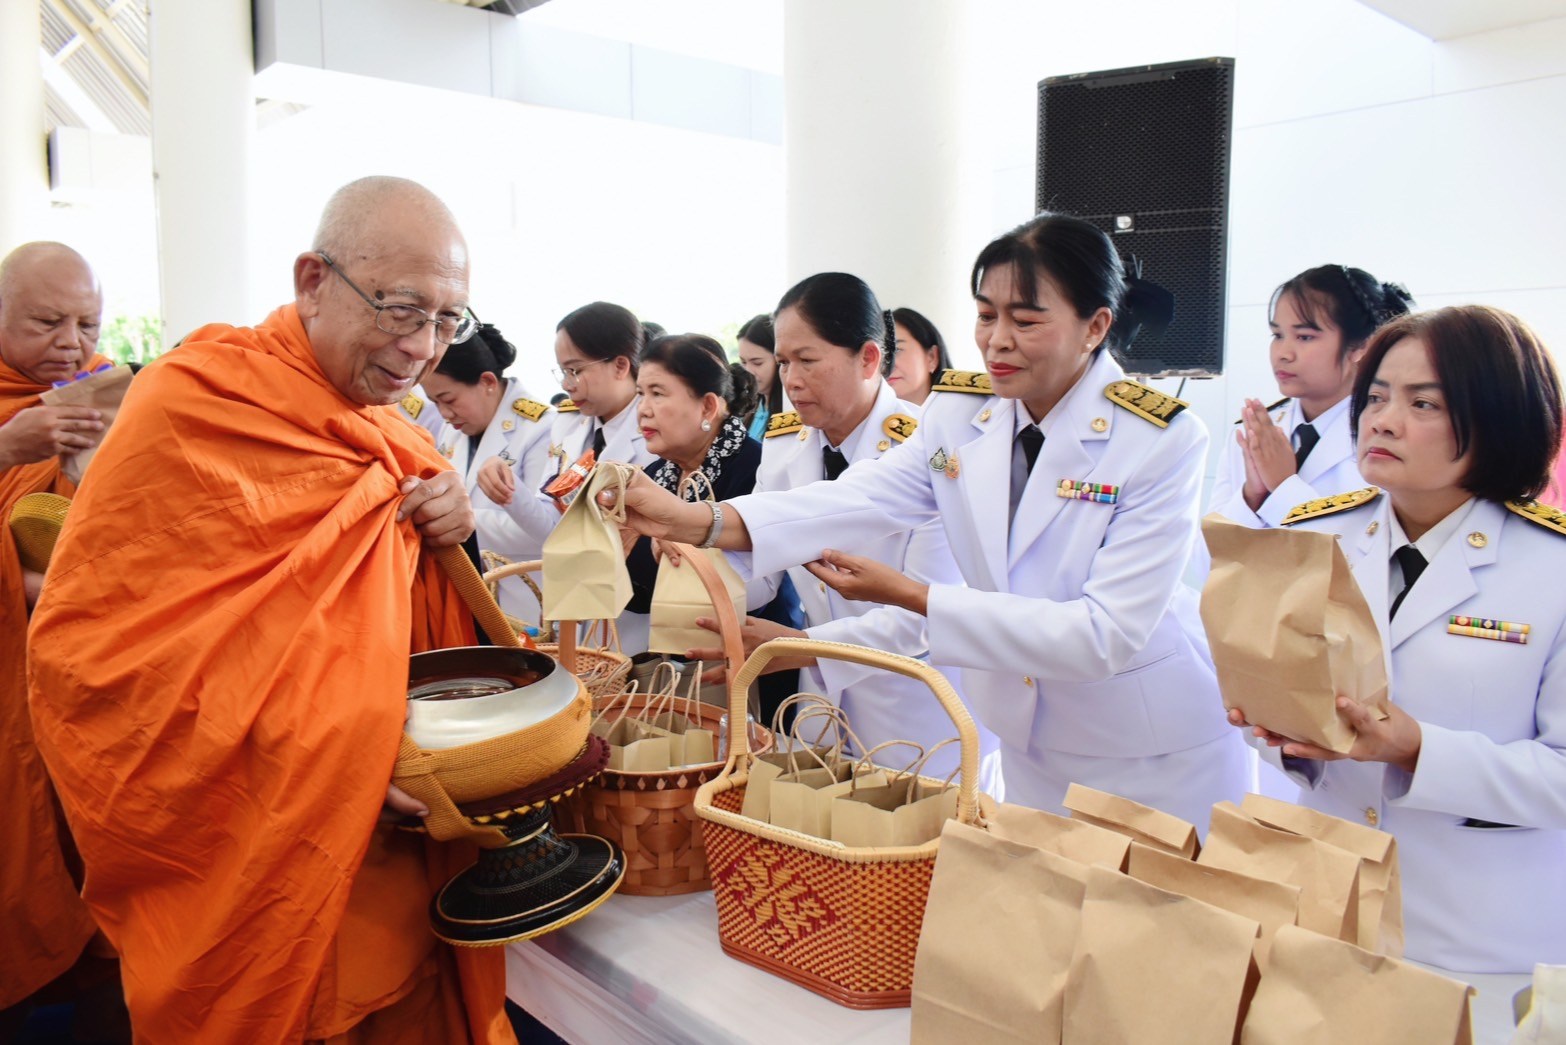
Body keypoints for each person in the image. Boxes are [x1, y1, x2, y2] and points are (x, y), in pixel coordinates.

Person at [27, 177, 513, 1042]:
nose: (422, 347)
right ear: (313, 281)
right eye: (402, 309)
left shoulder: (394, 436)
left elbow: (421, 625)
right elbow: (97, 663)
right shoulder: (191, 404)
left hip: (388, 863)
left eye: (448, 320)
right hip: (250, 844)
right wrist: (346, 760)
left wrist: (454, 526)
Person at [603, 214, 1249, 826]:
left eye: (1025, 320)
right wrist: (695, 519)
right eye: (986, 315)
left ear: (1095, 326)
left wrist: (913, 596)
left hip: (1148, 745)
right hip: (1029, 738)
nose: (997, 340)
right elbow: (856, 498)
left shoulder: (1160, 438)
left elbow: (1103, 634)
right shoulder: (962, 416)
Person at [1234, 305, 1566, 975]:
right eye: (1377, 397)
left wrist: (1418, 750)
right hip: (1324, 903)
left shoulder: (1551, 567)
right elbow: (1287, 723)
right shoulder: (1313, 536)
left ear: (1499, 417)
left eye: (1423, 404)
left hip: (1477, 934)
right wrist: (1281, 731)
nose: (1382, 421)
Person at [682, 272, 998, 786]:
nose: (790, 380)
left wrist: (802, 644)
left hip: (917, 709)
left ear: (868, 358)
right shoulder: (785, 445)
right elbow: (763, 570)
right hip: (822, 707)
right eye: (783, 362)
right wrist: (697, 565)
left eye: (807, 360)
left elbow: (924, 613)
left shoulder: (930, 448)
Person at [0, 242, 109, 1019]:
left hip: (85, 679)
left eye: (88, 323)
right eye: (47, 322)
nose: (72, 343)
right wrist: (7, 446)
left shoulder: (109, 393)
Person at [621, 334, 803, 708]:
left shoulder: (757, 468)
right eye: (640, 394)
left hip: (755, 667)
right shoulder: (653, 477)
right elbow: (636, 595)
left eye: (658, 394)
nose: (643, 410)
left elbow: (758, 588)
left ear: (707, 406)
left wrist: (683, 544)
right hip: (676, 666)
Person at [476, 300, 657, 650]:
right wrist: (511, 492)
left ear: (620, 365)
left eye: (575, 370)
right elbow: (555, 529)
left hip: (634, 618)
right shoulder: (569, 424)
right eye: (561, 371)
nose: (566, 384)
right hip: (577, 616)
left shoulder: (654, 431)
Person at [1208, 265, 1414, 530]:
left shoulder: (1386, 436)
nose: (1283, 353)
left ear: (1361, 345)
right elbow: (1205, 553)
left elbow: (1372, 549)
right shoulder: (1252, 433)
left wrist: (1283, 487)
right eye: (1277, 335)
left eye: (1304, 337)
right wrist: (1251, 496)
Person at [420, 321, 554, 623]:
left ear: (488, 382)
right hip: (469, 592)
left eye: (449, 400)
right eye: (435, 403)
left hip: (527, 598)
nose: (444, 414)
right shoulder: (452, 431)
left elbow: (544, 529)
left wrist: (453, 521)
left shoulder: (542, 428)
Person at [887, 306, 952, 407]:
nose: (886, 365)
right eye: (881, 353)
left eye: (897, 350)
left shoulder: (964, 413)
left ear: (932, 357)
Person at [736, 313, 783, 440]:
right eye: (743, 362)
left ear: (780, 360)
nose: (748, 371)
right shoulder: (744, 409)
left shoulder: (792, 414)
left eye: (757, 363)